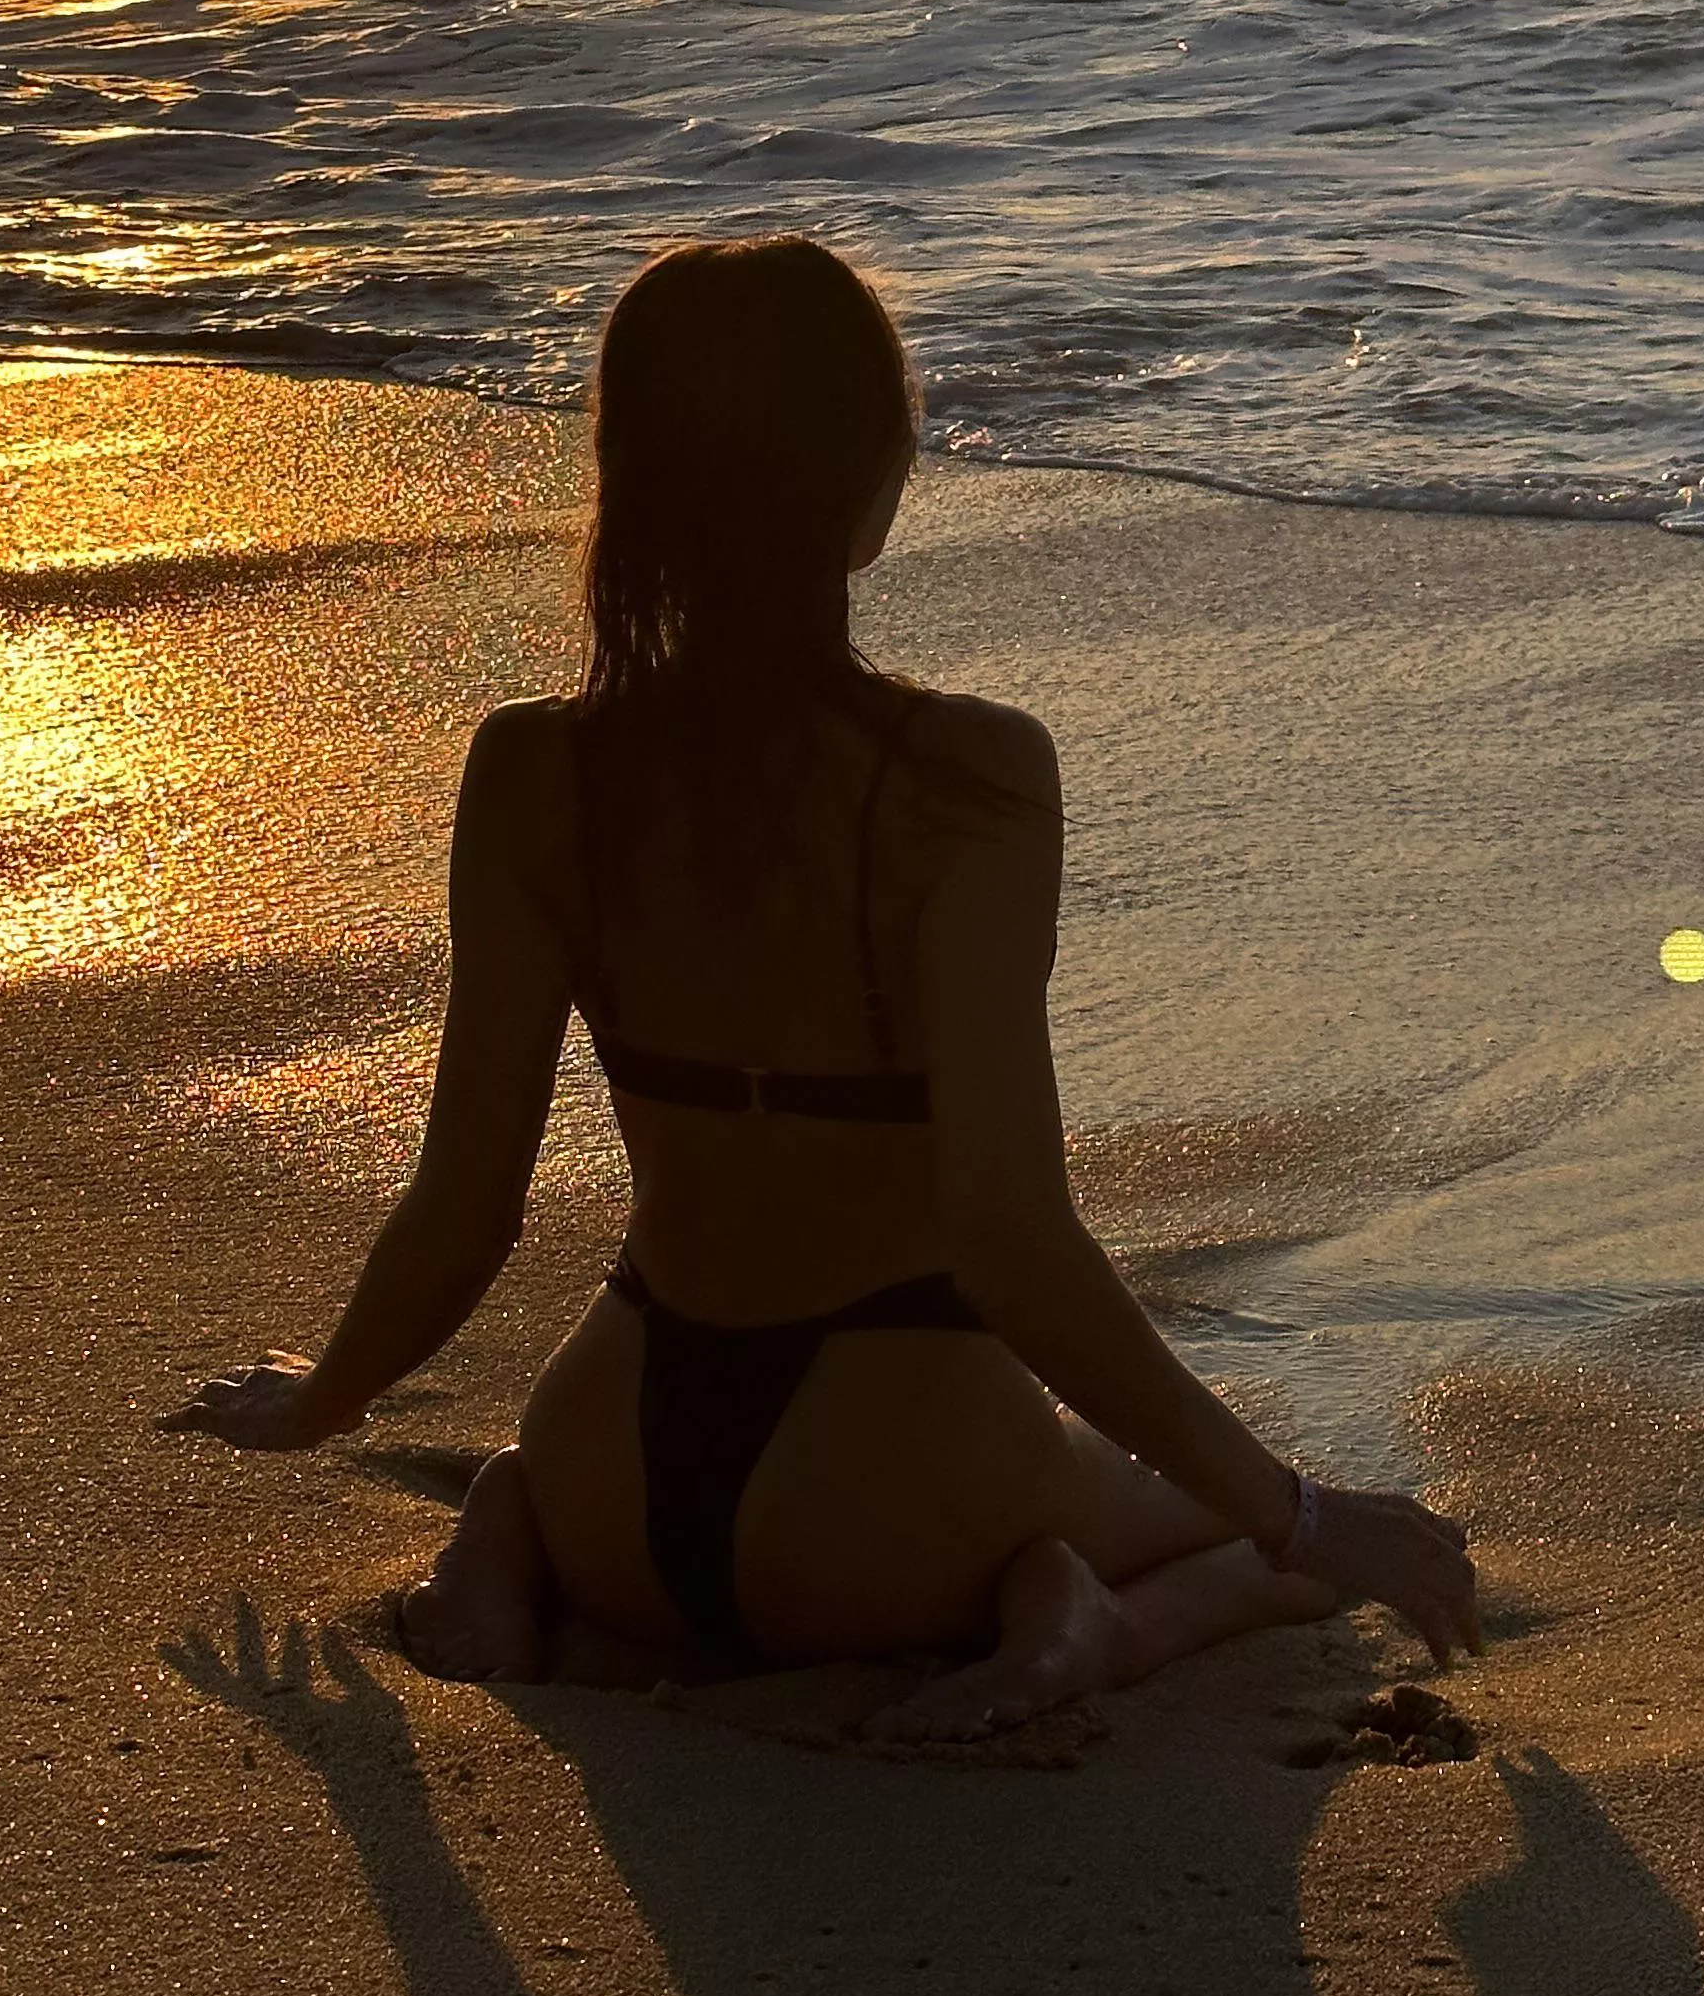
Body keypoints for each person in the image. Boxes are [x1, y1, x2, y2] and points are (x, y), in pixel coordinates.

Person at [164, 236, 1480, 1736]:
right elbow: (1009, 1242)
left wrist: (326, 1394)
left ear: (631, 486)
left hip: (612, 1468)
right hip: (886, 1497)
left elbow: (469, 1203)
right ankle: (1090, 1626)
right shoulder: (969, 779)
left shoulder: (534, 768)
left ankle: (511, 1541)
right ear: (871, 491)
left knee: (546, 1469)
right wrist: (1301, 1514)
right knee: (1274, 1539)